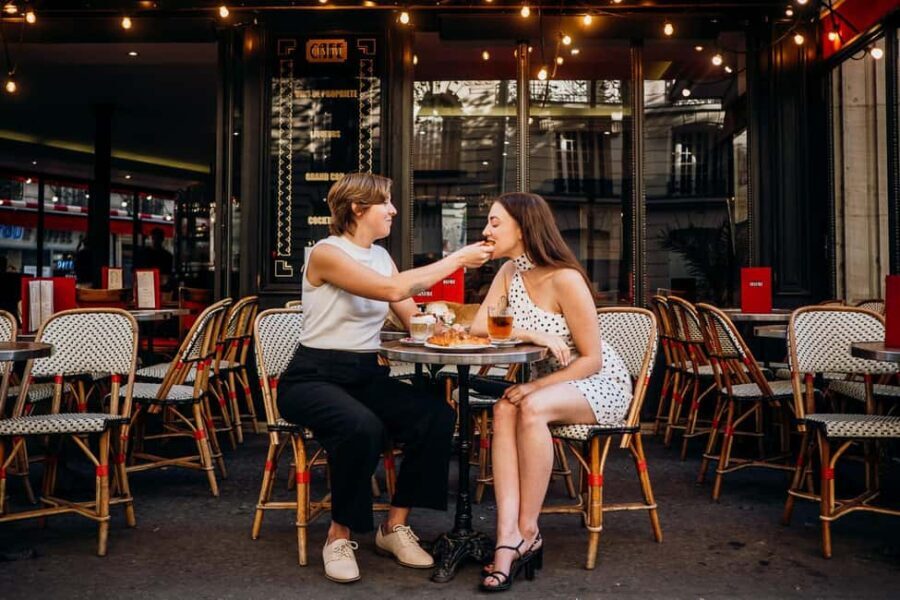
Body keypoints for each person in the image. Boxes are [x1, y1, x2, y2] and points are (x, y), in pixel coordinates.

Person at [276, 173, 494, 584]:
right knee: (361, 427)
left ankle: (393, 527)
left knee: (437, 417)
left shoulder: (380, 255)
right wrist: (457, 260)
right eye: (386, 203)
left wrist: (448, 325)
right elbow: (391, 290)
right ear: (359, 208)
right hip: (312, 377)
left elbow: (411, 316)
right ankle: (339, 534)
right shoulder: (326, 253)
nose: (393, 210)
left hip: (364, 375)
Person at [468, 192, 633, 592]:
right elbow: (477, 326)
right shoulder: (509, 272)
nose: (486, 230)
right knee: (505, 407)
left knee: (529, 405)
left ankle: (529, 529)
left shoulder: (566, 278)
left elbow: (591, 359)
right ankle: (507, 537)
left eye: (495, 222)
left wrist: (536, 385)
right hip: (542, 385)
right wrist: (527, 331)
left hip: (597, 383)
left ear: (523, 229)